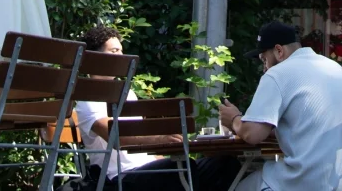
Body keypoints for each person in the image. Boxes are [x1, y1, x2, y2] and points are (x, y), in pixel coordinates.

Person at [218, 20, 342, 191]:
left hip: (314, 182)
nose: (264, 68)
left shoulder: (277, 74)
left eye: (264, 60)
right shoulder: (333, 67)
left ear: (278, 51)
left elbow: (252, 135)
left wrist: (233, 118)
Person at [74, 25, 229, 191]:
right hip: (120, 177)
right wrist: (160, 139)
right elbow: (116, 137)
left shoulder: (128, 93)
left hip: (146, 168)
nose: (121, 56)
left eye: (121, 51)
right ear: (95, 57)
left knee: (223, 164)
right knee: (183, 169)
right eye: (114, 51)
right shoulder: (87, 99)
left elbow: (142, 143)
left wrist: (160, 154)